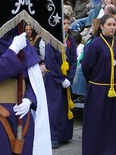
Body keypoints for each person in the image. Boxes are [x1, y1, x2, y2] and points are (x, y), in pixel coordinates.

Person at [81, 14, 116, 155]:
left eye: (114, 25)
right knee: (98, 122)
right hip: (99, 89)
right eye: (109, 25)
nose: (112, 27)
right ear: (101, 26)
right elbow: (86, 67)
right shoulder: (94, 44)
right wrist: (97, 82)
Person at [44, 15, 77, 149]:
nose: (66, 26)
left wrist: (69, 78)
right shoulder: (51, 40)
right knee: (54, 109)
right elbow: (50, 61)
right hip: (54, 80)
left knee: (65, 108)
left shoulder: (70, 41)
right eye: (63, 23)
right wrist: (60, 79)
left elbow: (73, 60)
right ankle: (54, 136)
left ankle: (65, 135)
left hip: (66, 80)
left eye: (68, 23)